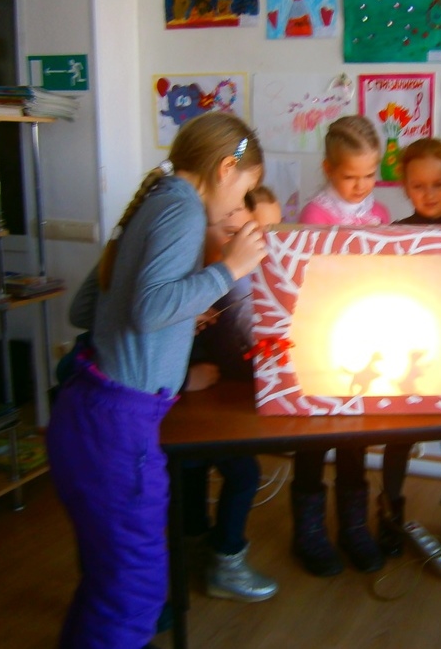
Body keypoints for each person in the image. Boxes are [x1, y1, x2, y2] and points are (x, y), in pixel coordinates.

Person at [45, 112, 267, 649]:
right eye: (244, 190)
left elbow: (88, 309)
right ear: (226, 168)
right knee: (134, 593)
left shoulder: (156, 201)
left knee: (108, 584)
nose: (238, 206)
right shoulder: (183, 208)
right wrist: (229, 269)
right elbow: (148, 310)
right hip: (117, 431)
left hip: (86, 411)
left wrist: (177, 323)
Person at [291, 115, 388, 577]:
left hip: (364, 337)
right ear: (329, 169)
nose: (362, 185)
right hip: (320, 339)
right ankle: (308, 532)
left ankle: (354, 527)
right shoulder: (315, 215)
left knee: (355, 437)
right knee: (314, 438)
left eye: (370, 174)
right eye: (351, 176)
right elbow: (310, 277)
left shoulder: (380, 213)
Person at [179, 191, 285, 604]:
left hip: (215, 397)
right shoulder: (209, 273)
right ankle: (223, 559)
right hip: (186, 398)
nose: (268, 238)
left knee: (202, 469)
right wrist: (186, 379)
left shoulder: (235, 272)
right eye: (260, 230)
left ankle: (197, 545)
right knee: (238, 473)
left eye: (275, 229)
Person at [376, 138, 441, 558]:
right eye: (418, 186)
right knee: (398, 435)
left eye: (438, 184)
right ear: (405, 186)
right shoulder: (396, 235)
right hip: (407, 350)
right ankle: (390, 510)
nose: (429, 194)